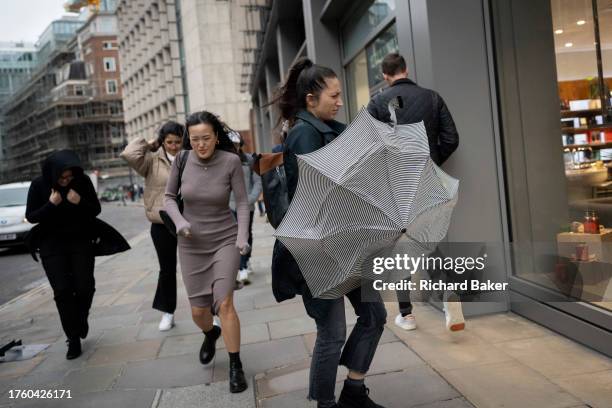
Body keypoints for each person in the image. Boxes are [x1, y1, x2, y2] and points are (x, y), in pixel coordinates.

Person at [274, 57, 387, 408]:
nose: (340, 101)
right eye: (334, 95)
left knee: (374, 316)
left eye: (340, 95)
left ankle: (353, 391)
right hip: (319, 252)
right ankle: (325, 404)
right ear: (311, 99)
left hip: (346, 246)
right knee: (332, 332)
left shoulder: (331, 129)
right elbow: (321, 195)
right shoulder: (304, 135)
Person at [367, 52, 462, 332]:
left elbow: (370, 148)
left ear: (385, 75)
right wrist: (432, 162)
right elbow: (452, 139)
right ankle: (448, 296)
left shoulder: (377, 103)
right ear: (406, 69)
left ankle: (406, 315)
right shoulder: (432, 98)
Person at [163, 111, 250, 394]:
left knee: (224, 303)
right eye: (195, 139)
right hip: (191, 244)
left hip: (225, 240)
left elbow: (243, 203)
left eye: (206, 138)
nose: (200, 144)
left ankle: (236, 365)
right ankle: (210, 333)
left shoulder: (231, 161)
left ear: (216, 137)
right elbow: (168, 199)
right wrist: (180, 222)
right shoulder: (181, 159)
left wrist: (241, 237)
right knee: (199, 311)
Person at [25, 150, 101, 360]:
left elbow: (95, 209)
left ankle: (81, 318)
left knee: (85, 287)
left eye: (70, 177)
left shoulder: (82, 181)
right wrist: (51, 205)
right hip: (51, 246)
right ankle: (73, 338)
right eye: (62, 178)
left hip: (81, 242)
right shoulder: (39, 185)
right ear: (52, 174)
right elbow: (31, 217)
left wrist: (80, 202)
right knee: (63, 292)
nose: (67, 181)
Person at [120, 121, 185, 331]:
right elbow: (129, 154)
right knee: (166, 270)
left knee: (198, 267)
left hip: (189, 220)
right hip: (161, 223)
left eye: (177, 141)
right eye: (169, 142)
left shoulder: (189, 158)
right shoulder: (150, 161)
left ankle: (210, 311)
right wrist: (149, 144)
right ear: (162, 141)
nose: (174, 146)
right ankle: (168, 312)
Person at [228, 131, 262, 284]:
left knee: (247, 234)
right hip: (229, 205)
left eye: (236, 144)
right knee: (236, 235)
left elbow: (257, 181)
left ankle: (246, 260)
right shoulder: (223, 161)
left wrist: (252, 198)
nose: (234, 147)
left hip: (247, 205)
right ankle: (241, 268)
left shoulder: (248, 160)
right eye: (231, 144)